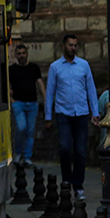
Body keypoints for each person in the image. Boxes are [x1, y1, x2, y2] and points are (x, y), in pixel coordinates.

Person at [43, 34, 100, 199]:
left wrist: (95, 112)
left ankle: (78, 185)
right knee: (65, 148)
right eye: (70, 45)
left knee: (81, 151)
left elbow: (91, 89)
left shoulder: (84, 65)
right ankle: (67, 180)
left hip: (81, 113)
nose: (73, 48)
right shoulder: (55, 67)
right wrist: (48, 116)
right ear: (63, 46)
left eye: (75, 45)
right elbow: (50, 92)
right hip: (63, 113)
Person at [7, 43, 45, 168]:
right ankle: (18, 154)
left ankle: (27, 158)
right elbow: (5, 86)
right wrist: (11, 100)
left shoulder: (34, 68)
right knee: (21, 127)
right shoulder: (12, 69)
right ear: (15, 55)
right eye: (19, 53)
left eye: (23, 53)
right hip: (18, 103)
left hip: (32, 103)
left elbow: (40, 83)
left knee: (30, 131)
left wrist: (45, 98)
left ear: (27, 53)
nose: (22, 55)